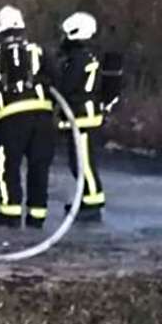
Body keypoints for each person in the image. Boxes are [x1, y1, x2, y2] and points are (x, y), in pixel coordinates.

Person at [0, 6, 55, 228]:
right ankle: (37, 217)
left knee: (7, 166)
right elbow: (55, 76)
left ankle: (10, 214)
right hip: (42, 117)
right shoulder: (37, 50)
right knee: (39, 167)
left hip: (12, 119)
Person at [56, 12, 105, 222]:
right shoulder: (84, 57)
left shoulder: (78, 60)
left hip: (82, 116)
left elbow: (67, 86)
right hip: (81, 115)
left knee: (83, 163)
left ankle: (92, 203)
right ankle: (86, 198)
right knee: (78, 163)